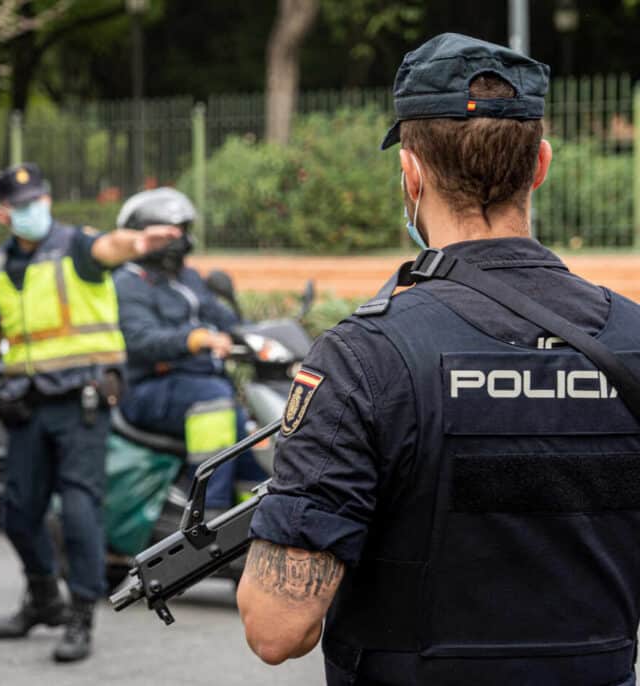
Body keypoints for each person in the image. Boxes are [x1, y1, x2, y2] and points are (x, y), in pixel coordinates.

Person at [237, 33, 640, 686]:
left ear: (412, 173)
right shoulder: (632, 337)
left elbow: (276, 628)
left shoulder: (364, 357)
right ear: (540, 165)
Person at [0, 163, 178, 663]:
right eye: (22, 205)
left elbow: (108, 248)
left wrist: (136, 243)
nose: (33, 210)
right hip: (26, 406)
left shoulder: (75, 246)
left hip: (81, 402)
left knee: (81, 512)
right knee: (18, 514)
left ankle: (80, 614)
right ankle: (44, 594)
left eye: (39, 199)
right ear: (4, 213)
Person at [114, 188, 264, 511]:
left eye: (184, 230)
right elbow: (141, 340)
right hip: (149, 389)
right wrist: (192, 339)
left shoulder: (187, 277)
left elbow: (220, 316)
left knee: (246, 430)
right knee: (215, 401)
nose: (183, 239)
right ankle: (209, 512)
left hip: (196, 383)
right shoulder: (128, 283)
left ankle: (256, 513)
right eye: (174, 232)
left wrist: (256, 333)